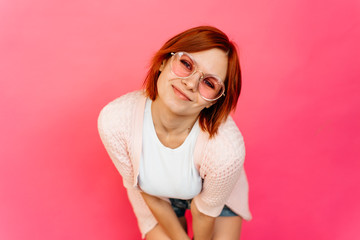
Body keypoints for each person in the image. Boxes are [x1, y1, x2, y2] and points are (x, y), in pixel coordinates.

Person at [98, 26, 252, 240]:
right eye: (186, 64)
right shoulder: (116, 121)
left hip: (216, 196)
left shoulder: (226, 150)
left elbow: (204, 214)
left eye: (208, 83)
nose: (190, 83)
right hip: (157, 196)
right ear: (164, 61)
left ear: (214, 101)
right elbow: (144, 191)